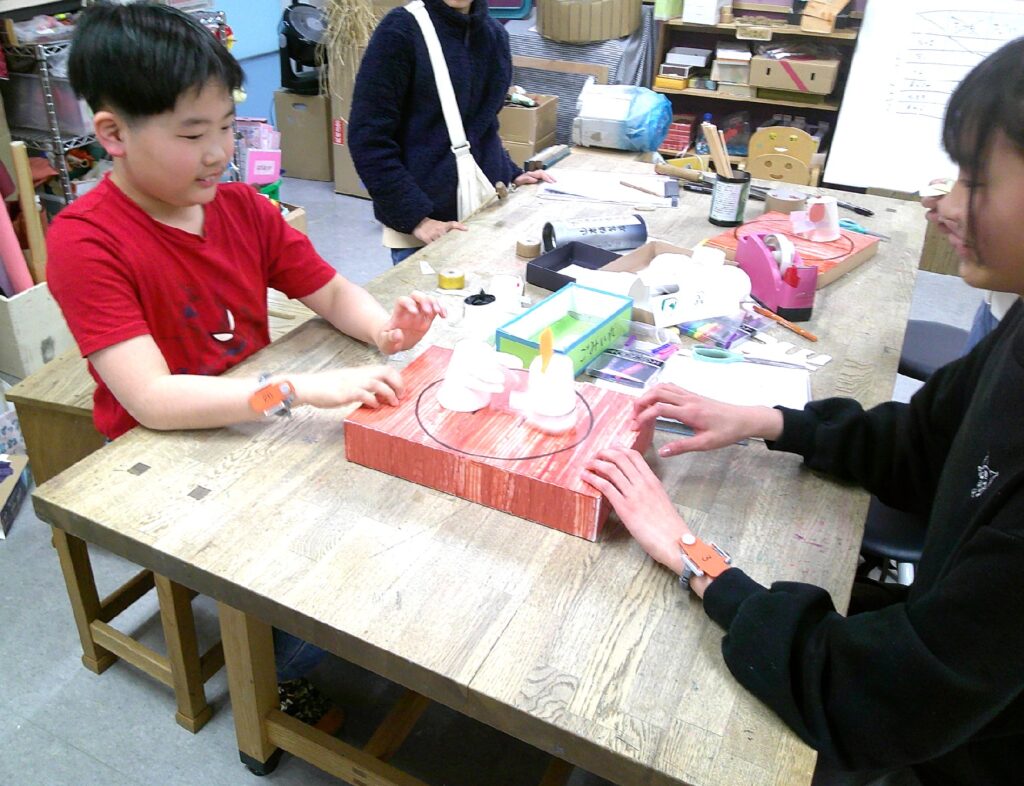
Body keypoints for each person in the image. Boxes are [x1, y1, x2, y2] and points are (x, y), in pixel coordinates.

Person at [584, 37, 1024, 786]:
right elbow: (924, 445)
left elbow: (880, 700)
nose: (942, 203)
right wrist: (770, 422)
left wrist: (693, 556)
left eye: (974, 180)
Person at [47, 3, 443, 701]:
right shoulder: (87, 241)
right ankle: (276, 674)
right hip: (161, 451)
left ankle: (303, 632)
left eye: (227, 126)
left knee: (388, 501)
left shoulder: (242, 209)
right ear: (112, 134)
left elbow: (329, 290)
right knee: (312, 565)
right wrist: (296, 390)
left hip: (254, 417)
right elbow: (154, 402)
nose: (217, 152)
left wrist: (384, 331)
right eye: (191, 133)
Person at [348, 0, 553, 265]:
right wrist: (417, 219)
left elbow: (483, 125)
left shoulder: (493, 35)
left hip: (483, 212)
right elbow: (368, 139)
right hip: (424, 230)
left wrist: (511, 174)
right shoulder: (401, 30)